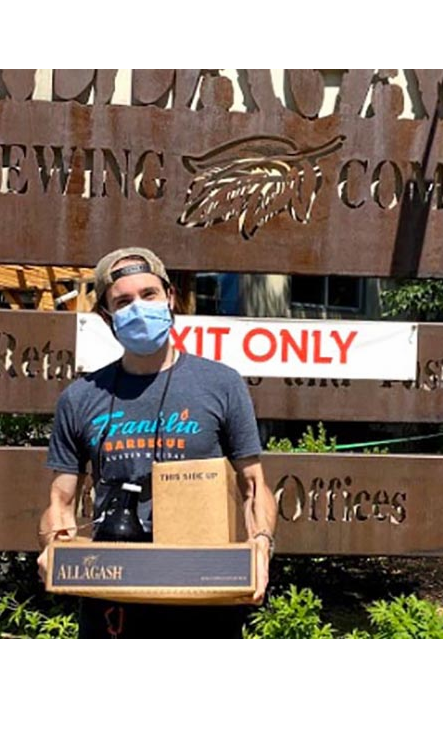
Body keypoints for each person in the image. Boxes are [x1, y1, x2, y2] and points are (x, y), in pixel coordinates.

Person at [36, 247, 277, 638]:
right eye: (123, 301)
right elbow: (60, 503)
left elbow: (253, 483)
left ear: (170, 297)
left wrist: (261, 547)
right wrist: (53, 547)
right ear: (106, 317)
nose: (139, 307)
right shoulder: (79, 398)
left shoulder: (221, 384)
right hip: (113, 598)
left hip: (204, 592)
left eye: (148, 294)